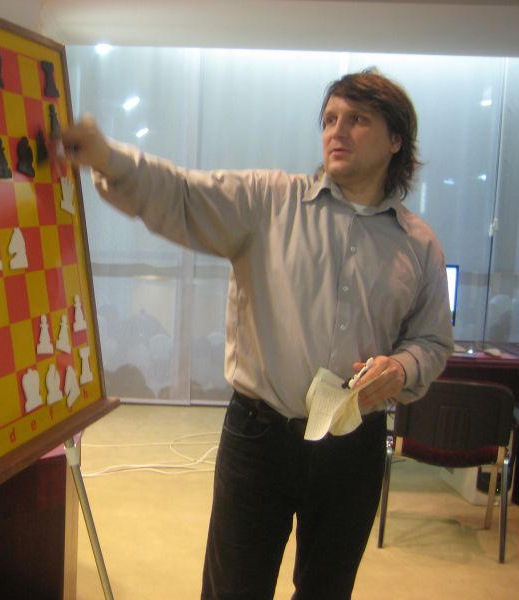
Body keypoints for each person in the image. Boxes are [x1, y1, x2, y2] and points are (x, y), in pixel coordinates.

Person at [56, 69, 454, 599]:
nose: (336, 131)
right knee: (233, 590)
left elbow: (432, 340)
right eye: (329, 119)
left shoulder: (419, 245)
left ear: (396, 140)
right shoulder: (270, 202)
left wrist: (402, 368)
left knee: (328, 590)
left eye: (357, 120)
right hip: (259, 437)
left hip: (353, 446)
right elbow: (182, 195)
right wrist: (108, 158)